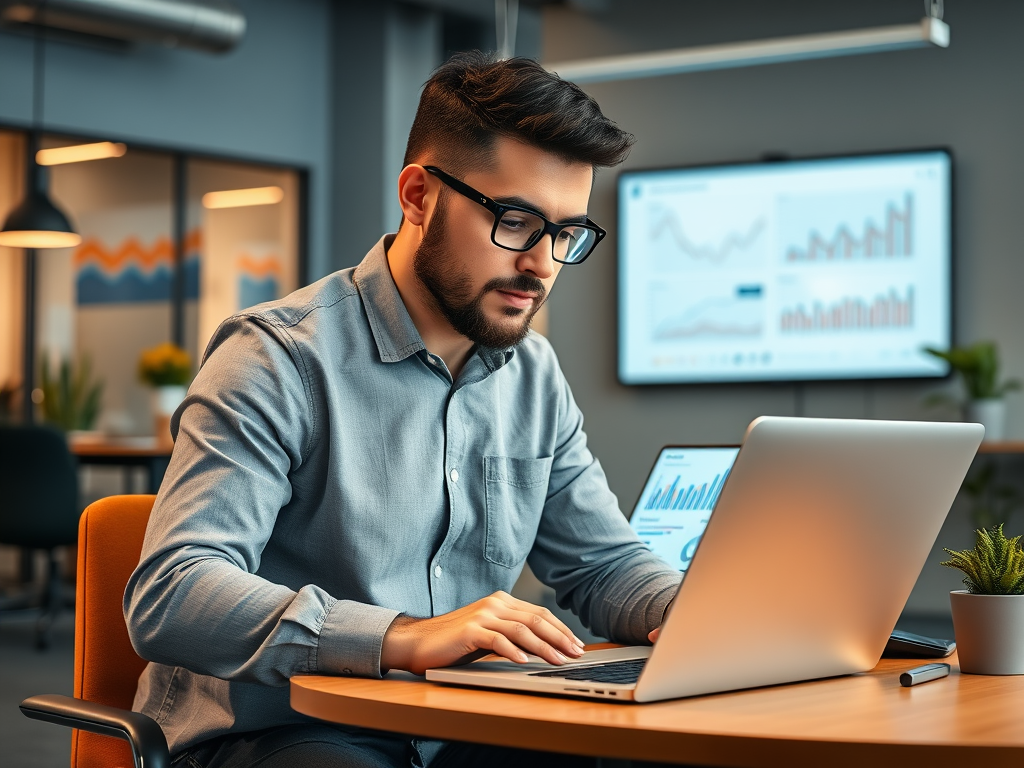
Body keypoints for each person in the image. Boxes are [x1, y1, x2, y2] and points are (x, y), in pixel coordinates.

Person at [125, 52, 681, 768]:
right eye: (515, 220)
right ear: (418, 196)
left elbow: (603, 566)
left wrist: (692, 615)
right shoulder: (277, 357)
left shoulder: (533, 374)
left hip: (465, 725)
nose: (542, 263)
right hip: (283, 730)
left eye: (566, 233)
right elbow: (173, 590)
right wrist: (399, 637)